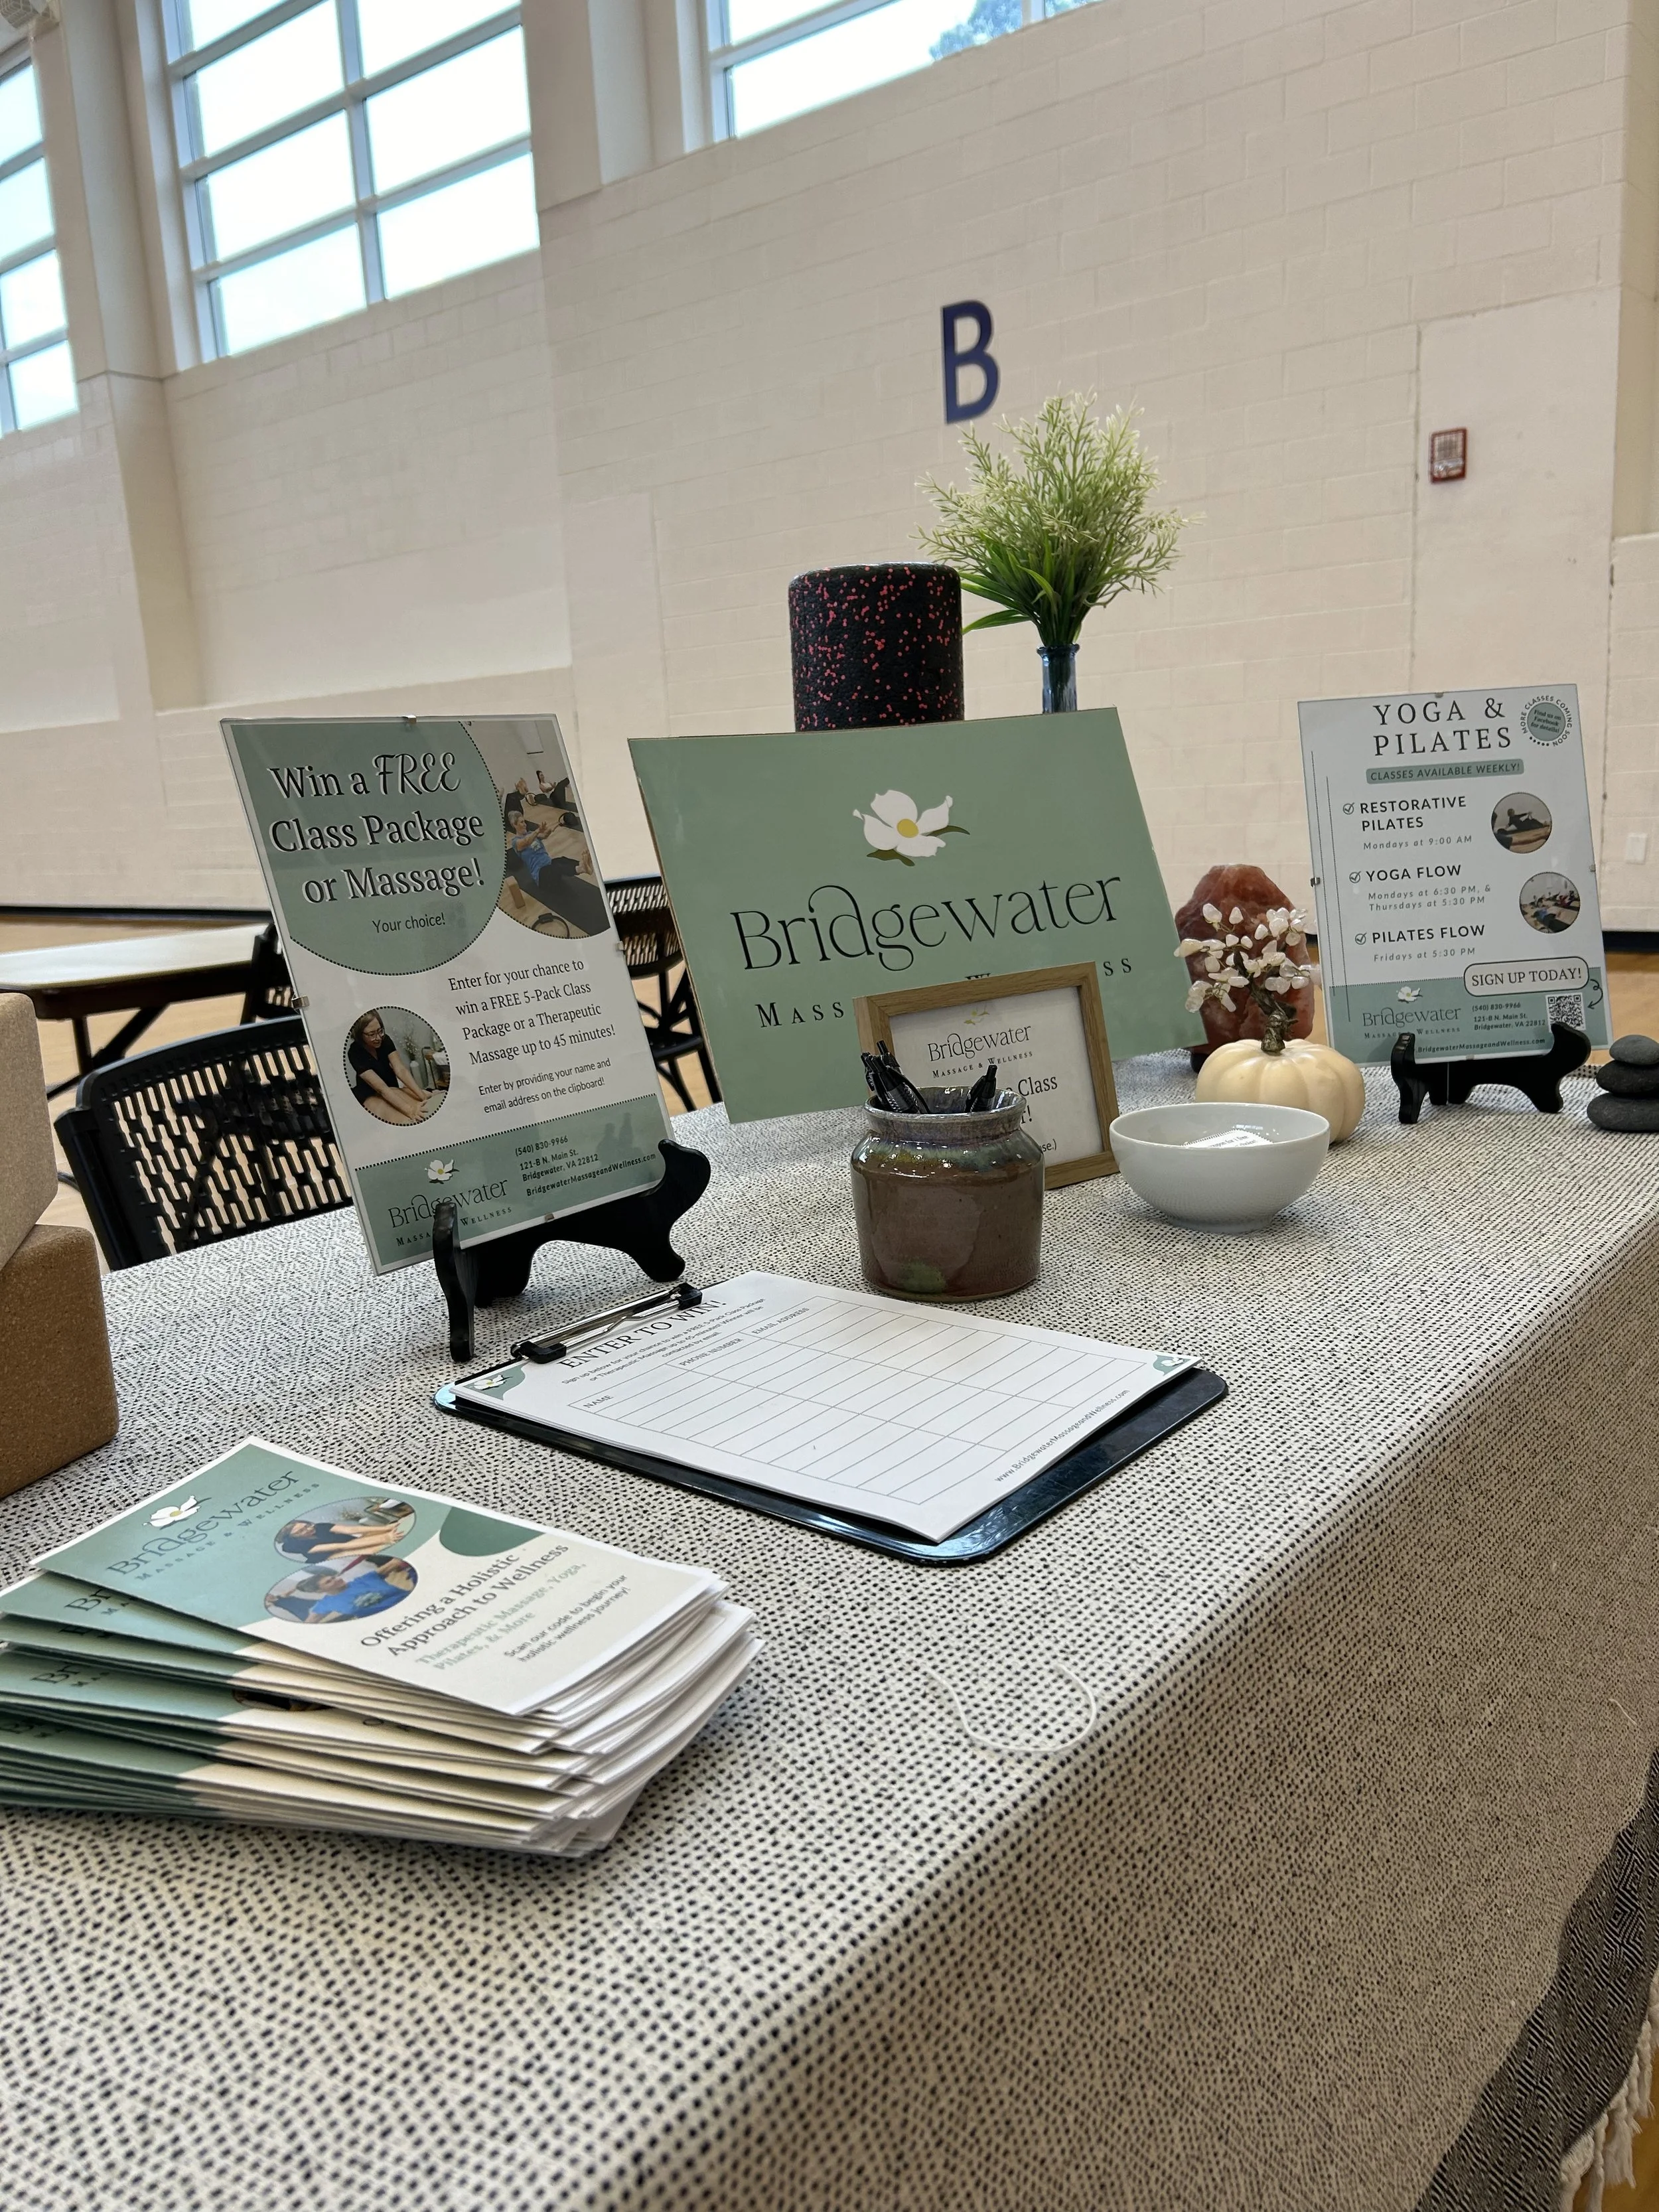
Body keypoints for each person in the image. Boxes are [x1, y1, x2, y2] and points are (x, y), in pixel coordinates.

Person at [346, 1011, 431, 1125]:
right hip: (370, 1094)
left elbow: (400, 1070)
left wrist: (422, 1096)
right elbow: (381, 1089)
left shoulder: (385, 1040)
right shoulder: (355, 1052)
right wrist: (411, 1111)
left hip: (391, 1088)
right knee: (403, 1118)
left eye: (380, 1031)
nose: (378, 1038)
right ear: (360, 1035)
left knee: (421, 1098)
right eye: (372, 1034)